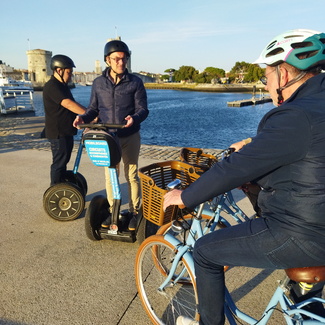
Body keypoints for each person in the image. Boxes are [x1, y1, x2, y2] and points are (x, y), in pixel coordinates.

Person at [163, 29, 325, 325]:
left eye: (267, 77)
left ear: (283, 75)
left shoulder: (294, 115)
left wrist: (184, 196)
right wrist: (254, 144)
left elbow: (233, 169)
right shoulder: (316, 106)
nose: (266, 85)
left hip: (304, 232)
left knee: (205, 251)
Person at [73, 40, 149, 230]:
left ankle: (134, 212)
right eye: (116, 59)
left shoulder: (135, 82)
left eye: (124, 59)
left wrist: (135, 118)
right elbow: (93, 109)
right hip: (108, 137)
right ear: (108, 60)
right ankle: (113, 210)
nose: (121, 63)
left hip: (130, 134)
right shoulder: (99, 83)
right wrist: (83, 118)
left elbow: (143, 109)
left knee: (131, 175)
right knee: (110, 176)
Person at [43, 54, 86, 185]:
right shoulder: (52, 86)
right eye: (69, 72)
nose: (71, 75)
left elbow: (71, 107)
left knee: (64, 161)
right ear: (59, 70)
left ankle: (62, 186)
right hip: (58, 132)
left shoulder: (62, 86)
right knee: (59, 163)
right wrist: (90, 114)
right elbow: (68, 104)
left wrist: (83, 117)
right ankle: (54, 190)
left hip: (66, 131)